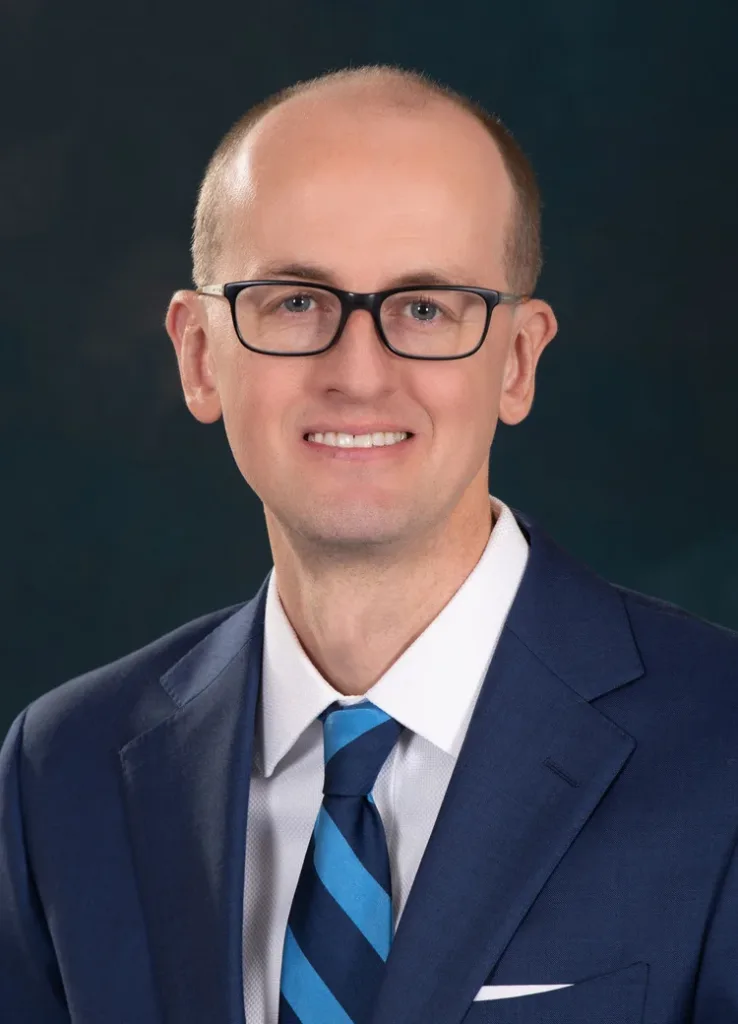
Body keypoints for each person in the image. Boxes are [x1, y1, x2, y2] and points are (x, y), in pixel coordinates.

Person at [1, 64, 737, 1024]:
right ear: (197, 355)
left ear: (517, 361)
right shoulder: (62, 769)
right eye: (295, 302)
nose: (358, 372)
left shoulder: (723, 747)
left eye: (426, 309)